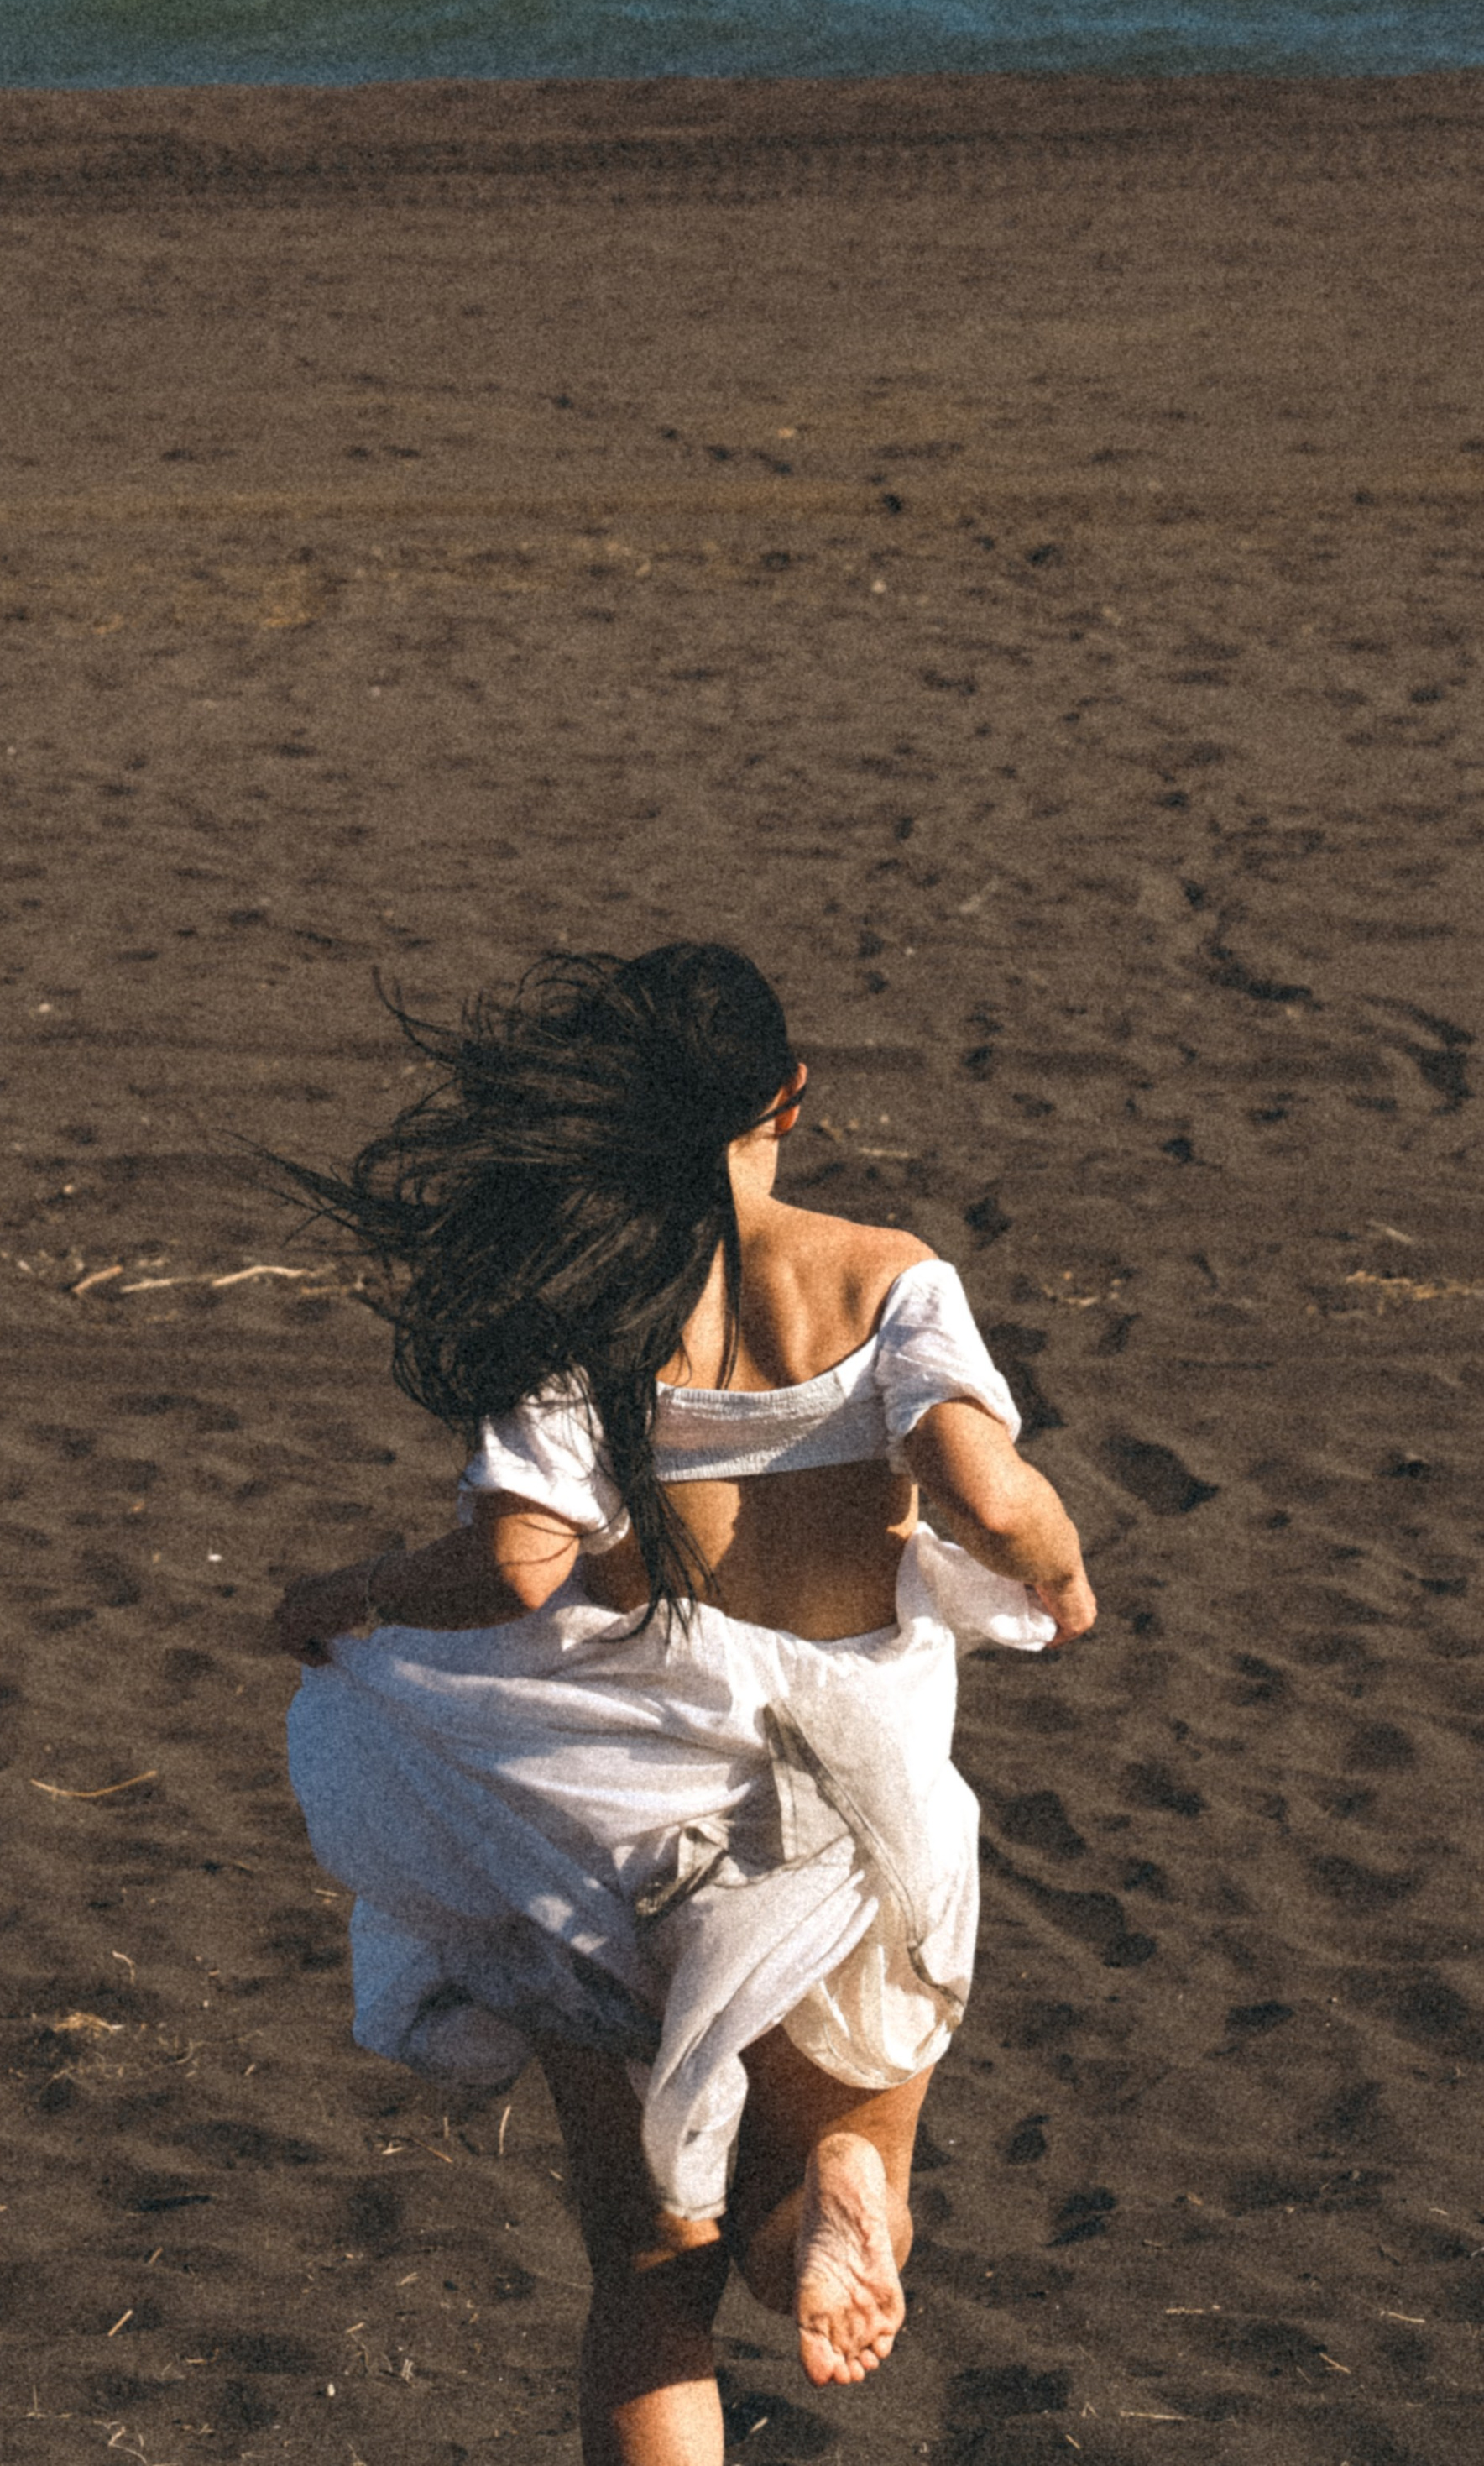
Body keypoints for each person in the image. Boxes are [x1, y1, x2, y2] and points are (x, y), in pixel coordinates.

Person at [269, 944, 1095, 2466]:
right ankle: (844, 2188)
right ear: (789, 1096)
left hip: (616, 1808)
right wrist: (1056, 1570)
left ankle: (776, 2222)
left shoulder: (586, 1307)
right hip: (854, 1793)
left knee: (652, 2274)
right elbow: (983, 1482)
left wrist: (358, 1592)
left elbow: (519, 1565)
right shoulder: (881, 1271)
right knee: (832, 2140)